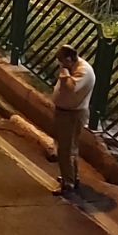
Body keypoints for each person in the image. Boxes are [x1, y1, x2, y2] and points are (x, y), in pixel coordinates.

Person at [51, 44, 96, 195]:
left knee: (66, 150)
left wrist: (64, 72)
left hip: (72, 115)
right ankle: (71, 176)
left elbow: (70, 87)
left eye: (62, 62)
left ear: (69, 59)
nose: (61, 65)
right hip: (65, 112)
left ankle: (68, 183)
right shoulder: (73, 67)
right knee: (68, 147)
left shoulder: (83, 71)